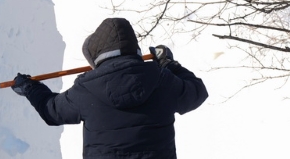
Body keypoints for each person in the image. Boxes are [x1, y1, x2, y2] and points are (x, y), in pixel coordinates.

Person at [11, 17, 208, 158]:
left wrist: (29, 87)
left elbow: (51, 111)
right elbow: (197, 92)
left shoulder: (86, 88)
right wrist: (169, 64)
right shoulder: (162, 79)